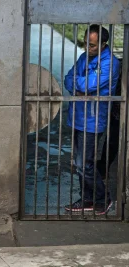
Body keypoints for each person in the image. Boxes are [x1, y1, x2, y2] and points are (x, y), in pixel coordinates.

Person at [63, 24, 120, 214]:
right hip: (77, 116)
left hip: (93, 120)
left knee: (84, 164)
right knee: (80, 164)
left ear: (103, 44)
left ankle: (103, 198)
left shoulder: (110, 63)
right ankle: (87, 199)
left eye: (93, 45)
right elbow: (68, 78)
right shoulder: (83, 58)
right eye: (85, 43)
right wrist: (79, 86)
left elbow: (91, 85)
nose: (88, 48)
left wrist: (81, 87)